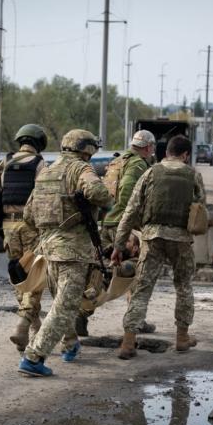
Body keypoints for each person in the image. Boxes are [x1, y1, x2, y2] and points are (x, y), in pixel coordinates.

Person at [18, 129, 113, 377]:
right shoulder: (81, 169)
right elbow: (99, 193)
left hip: (48, 249)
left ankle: (70, 344)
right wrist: (105, 201)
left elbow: (28, 215)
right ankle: (33, 357)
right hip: (73, 250)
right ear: (86, 148)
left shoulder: (46, 172)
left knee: (62, 302)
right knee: (65, 306)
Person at [111, 135, 206, 360]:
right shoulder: (193, 175)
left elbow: (131, 210)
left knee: (142, 288)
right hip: (181, 240)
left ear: (166, 153)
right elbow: (201, 208)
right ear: (186, 155)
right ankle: (182, 337)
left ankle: (128, 342)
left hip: (152, 237)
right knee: (183, 286)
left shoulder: (150, 172)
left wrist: (118, 244)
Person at [74, 129, 157, 336]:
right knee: (139, 270)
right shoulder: (138, 164)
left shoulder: (116, 162)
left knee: (100, 271)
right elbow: (129, 195)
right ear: (147, 148)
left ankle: (82, 314)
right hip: (125, 226)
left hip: (107, 222)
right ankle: (136, 319)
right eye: (152, 148)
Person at [0, 124, 48, 351]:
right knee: (34, 277)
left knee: (18, 275)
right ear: (38, 143)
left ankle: (32, 327)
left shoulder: (4, 163)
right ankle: (23, 324)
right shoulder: (40, 164)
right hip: (31, 227)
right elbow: (45, 196)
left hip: (8, 227)